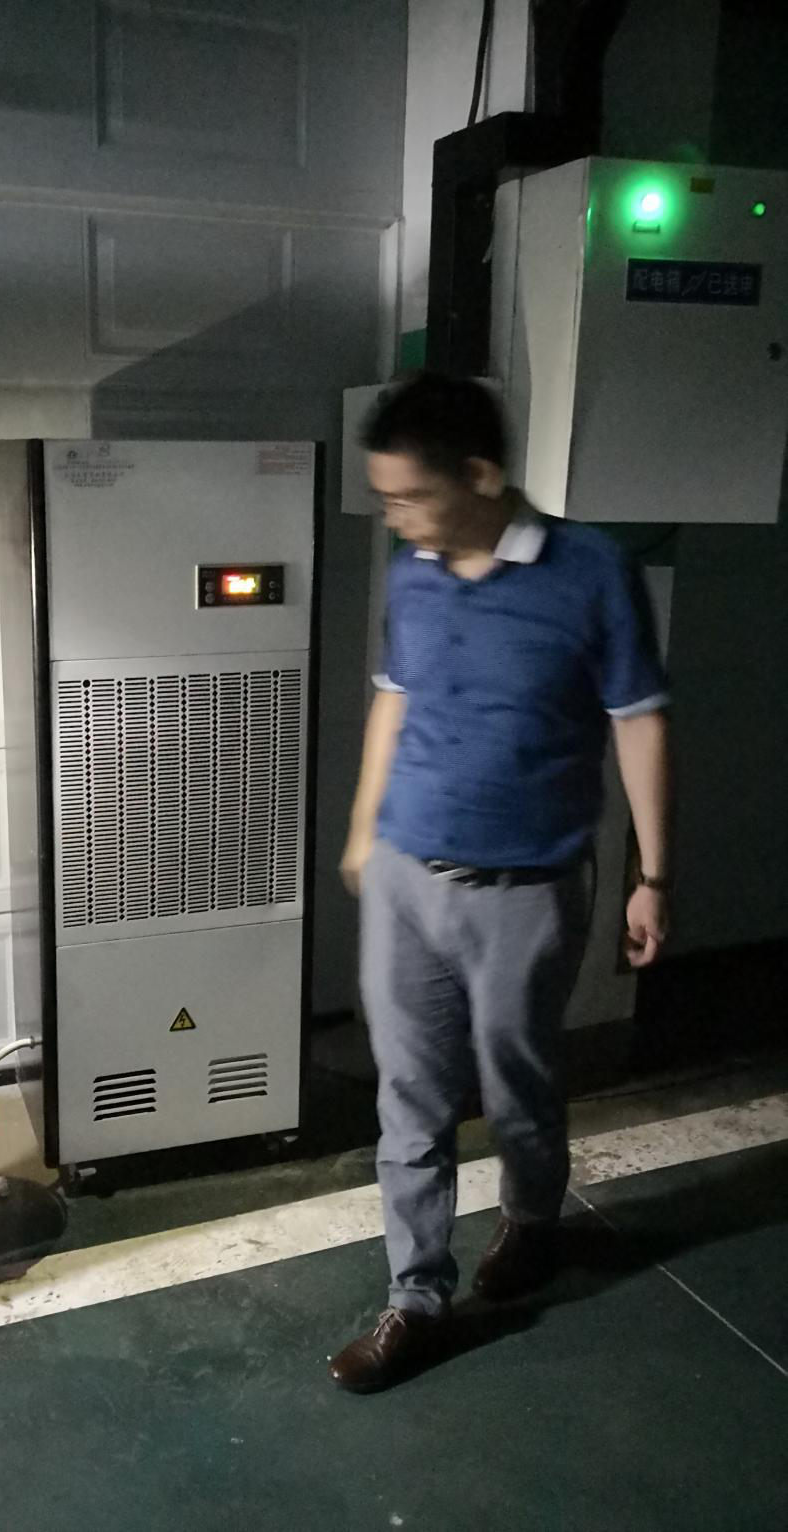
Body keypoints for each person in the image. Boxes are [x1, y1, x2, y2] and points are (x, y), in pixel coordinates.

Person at [330, 372, 672, 1394]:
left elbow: (640, 722)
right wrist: (363, 829)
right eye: (385, 496)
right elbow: (394, 698)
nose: (393, 516)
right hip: (406, 877)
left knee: (519, 1084)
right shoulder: (414, 572)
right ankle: (416, 1298)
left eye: (409, 496)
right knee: (410, 1097)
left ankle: (531, 1219)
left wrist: (654, 876)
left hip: (527, 889)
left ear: (480, 475)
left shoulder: (594, 569)